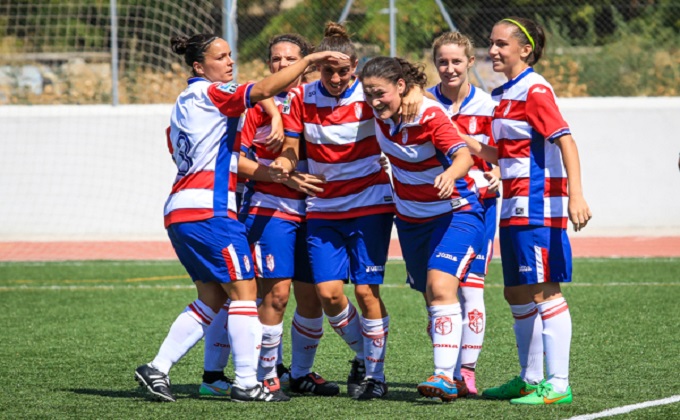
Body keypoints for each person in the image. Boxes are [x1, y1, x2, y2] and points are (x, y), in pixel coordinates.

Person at [134, 32, 347, 403]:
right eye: (220, 57)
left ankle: (157, 368)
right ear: (199, 66)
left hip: (181, 209)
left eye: (231, 55)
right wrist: (310, 62)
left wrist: (272, 112)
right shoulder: (211, 93)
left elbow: (243, 110)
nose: (229, 62)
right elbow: (260, 90)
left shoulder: (183, 104)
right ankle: (247, 382)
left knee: (211, 298)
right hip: (210, 212)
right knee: (246, 293)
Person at [270, 22, 423, 401]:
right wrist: (286, 167)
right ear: (317, 67)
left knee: (367, 293)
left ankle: (376, 374)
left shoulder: (369, 95)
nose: (336, 77)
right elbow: (292, 146)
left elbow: (407, 93)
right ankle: (363, 354)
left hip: (371, 205)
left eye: (344, 70)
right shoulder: (303, 98)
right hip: (323, 207)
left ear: (355, 66)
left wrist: (417, 93)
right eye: (329, 70)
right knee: (329, 294)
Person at [467, 17, 592, 405]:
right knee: (516, 293)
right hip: (515, 205)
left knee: (544, 291)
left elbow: (565, 141)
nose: (493, 50)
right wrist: (465, 142)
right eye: (491, 42)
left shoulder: (535, 90)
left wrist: (576, 195)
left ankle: (558, 384)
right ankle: (529, 378)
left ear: (525, 50)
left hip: (538, 206)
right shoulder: (506, 93)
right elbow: (505, 155)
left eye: (502, 44)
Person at [359, 56, 484, 402]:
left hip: (455, 214)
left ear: (400, 87)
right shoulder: (377, 109)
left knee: (441, 287)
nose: (374, 100)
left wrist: (449, 174)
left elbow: (464, 157)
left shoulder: (429, 114)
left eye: (380, 93)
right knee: (432, 299)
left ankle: (445, 376)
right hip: (411, 221)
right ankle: (454, 373)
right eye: (369, 94)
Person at [237, 33, 340, 399]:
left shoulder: (320, 99)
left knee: (312, 297)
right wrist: (277, 174)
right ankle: (267, 374)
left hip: (317, 212)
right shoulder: (254, 104)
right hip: (270, 209)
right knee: (276, 296)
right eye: (276, 59)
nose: (282, 64)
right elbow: (236, 161)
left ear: (306, 62)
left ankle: (301, 373)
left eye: (290, 58)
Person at [427, 31, 500, 396]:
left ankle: (464, 371)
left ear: (471, 62)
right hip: (434, 209)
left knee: (471, 290)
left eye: (457, 61)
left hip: (478, 206)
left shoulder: (488, 105)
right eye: (443, 61)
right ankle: (445, 366)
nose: (450, 68)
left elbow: (500, 155)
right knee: (437, 291)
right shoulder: (424, 102)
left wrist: (459, 138)